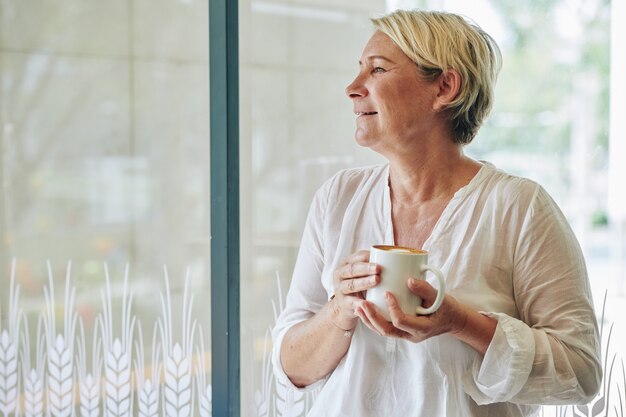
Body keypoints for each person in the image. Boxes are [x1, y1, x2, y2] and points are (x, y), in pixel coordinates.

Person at [271, 9, 602, 417]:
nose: (353, 88)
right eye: (360, 70)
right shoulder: (337, 199)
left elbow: (581, 373)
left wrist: (460, 322)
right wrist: (339, 309)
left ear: (445, 87)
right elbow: (291, 367)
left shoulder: (520, 208)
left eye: (377, 70)